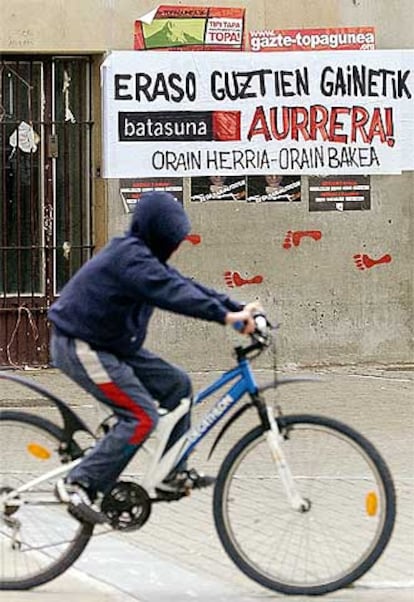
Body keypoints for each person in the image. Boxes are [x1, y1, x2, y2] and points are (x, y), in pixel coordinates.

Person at [49, 191, 258, 524]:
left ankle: (170, 474)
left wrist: (234, 307)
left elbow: (183, 284)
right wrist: (225, 318)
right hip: (81, 345)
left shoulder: (145, 258)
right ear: (157, 234)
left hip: (113, 347)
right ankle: (78, 483)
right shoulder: (130, 258)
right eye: (172, 239)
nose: (176, 246)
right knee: (141, 416)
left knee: (178, 386)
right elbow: (175, 294)